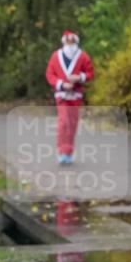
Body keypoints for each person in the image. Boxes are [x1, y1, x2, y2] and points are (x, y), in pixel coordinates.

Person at [45, 30, 94, 163]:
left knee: (72, 123)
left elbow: (90, 73)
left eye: (72, 41)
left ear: (76, 41)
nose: (70, 43)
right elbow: (50, 74)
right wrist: (61, 84)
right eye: (68, 41)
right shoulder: (56, 56)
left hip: (76, 95)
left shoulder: (83, 56)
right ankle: (61, 151)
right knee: (64, 121)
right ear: (64, 41)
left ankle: (68, 152)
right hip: (61, 94)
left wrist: (79, 77)